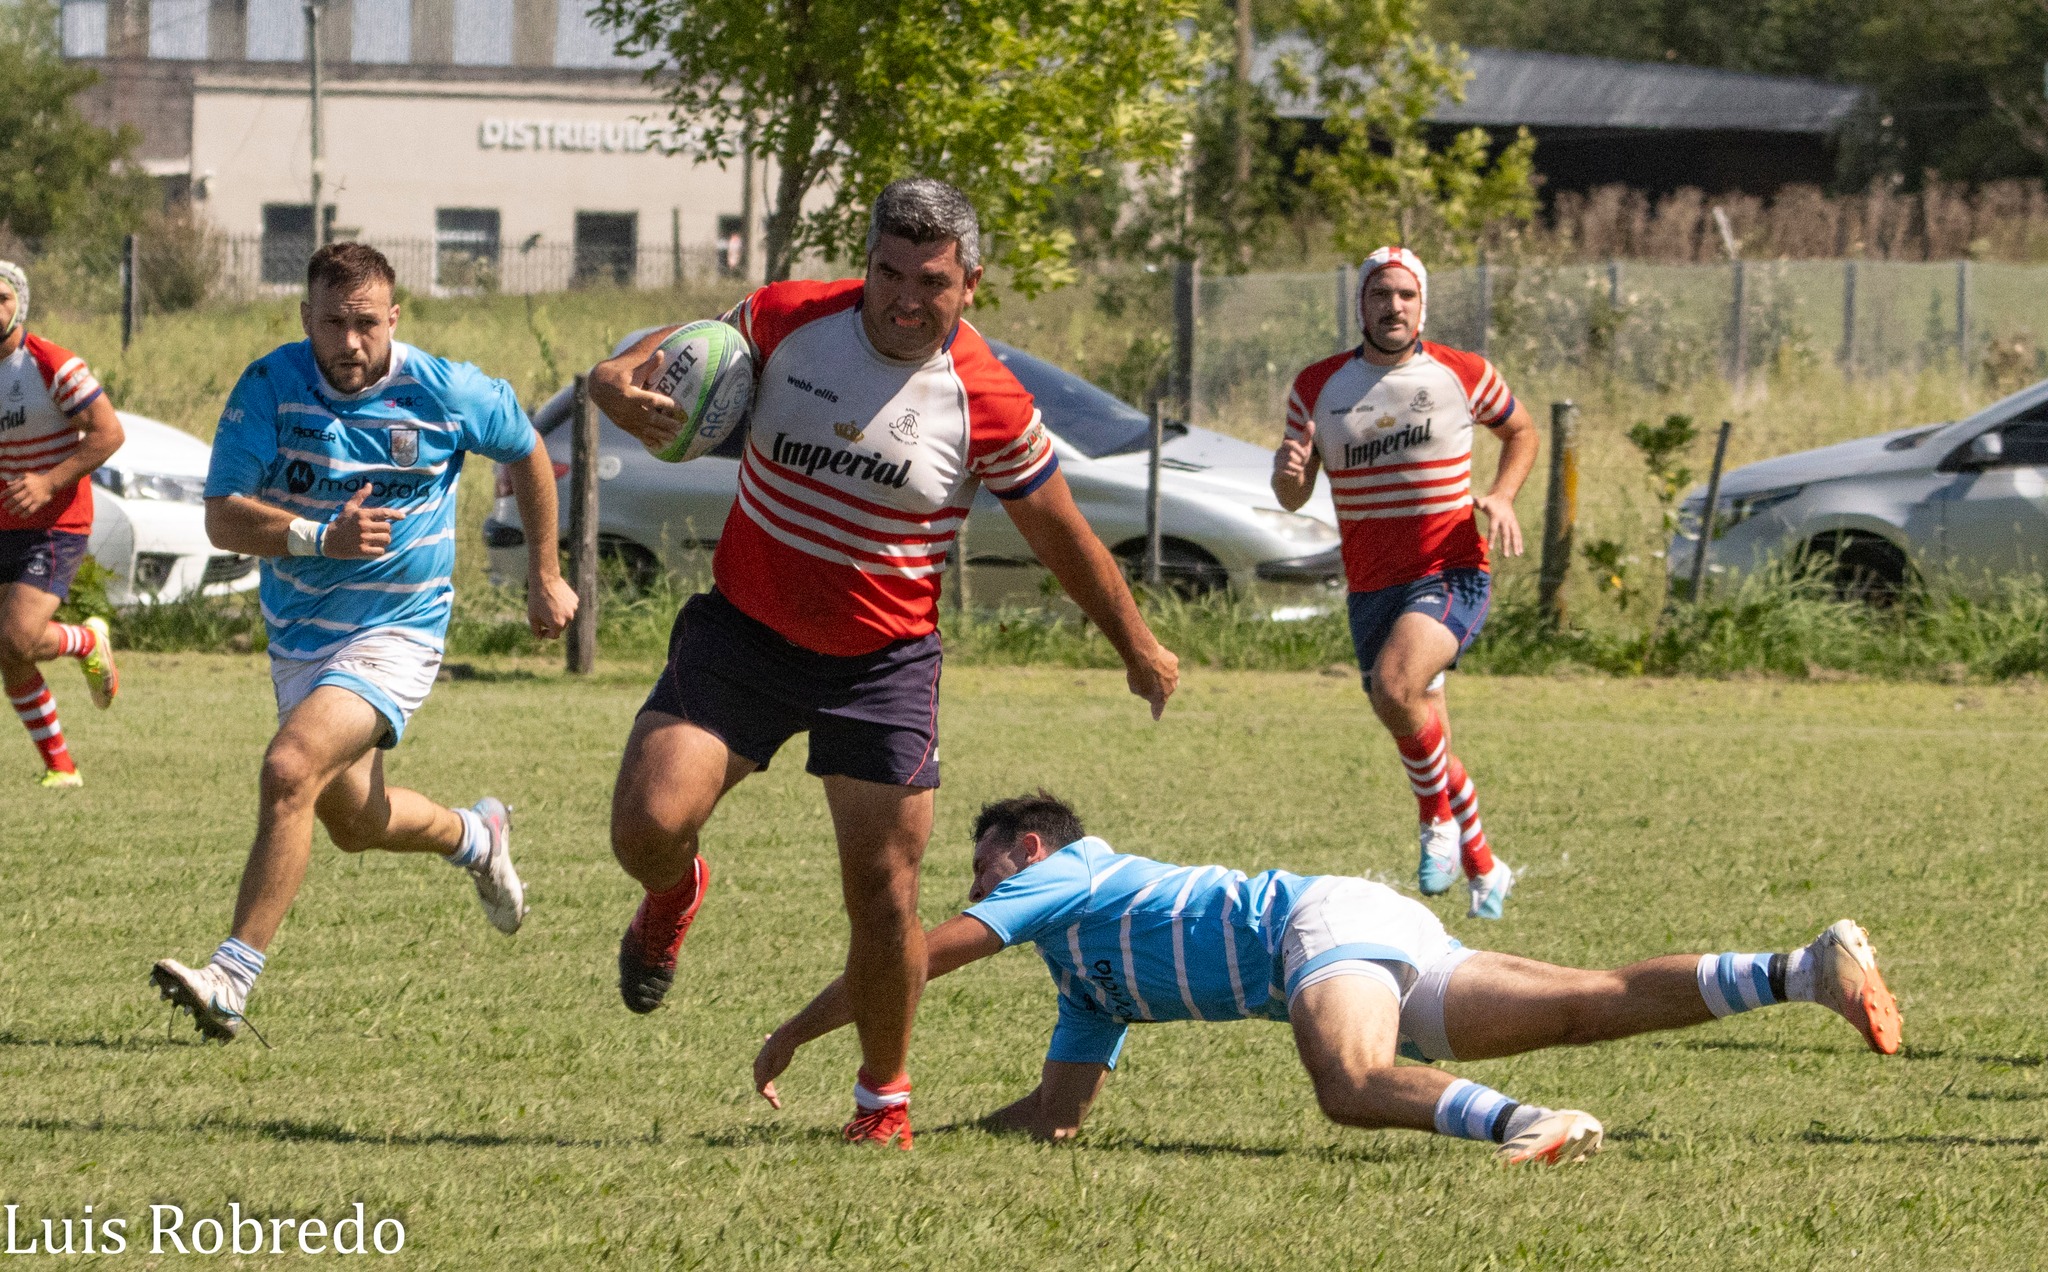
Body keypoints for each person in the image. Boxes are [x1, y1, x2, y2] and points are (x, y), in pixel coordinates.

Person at [588, 178, 1180, 1149]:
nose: (903, 299)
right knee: (646, 828)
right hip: (742, 632)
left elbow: (1060, 533)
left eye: (930, 280)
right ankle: (672, 892)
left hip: (881, 663)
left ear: (970, 283)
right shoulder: (786, 319)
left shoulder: (987, 399)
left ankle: (882, 1103)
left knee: (884, 892)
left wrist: (1137, 646)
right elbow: (636, 366)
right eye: (886, 272)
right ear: (865, 261)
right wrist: (612, 382)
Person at [754, 791, 1903, 1162]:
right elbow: (1058, 1115)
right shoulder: (1085, 979)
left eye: (987, 865)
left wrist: (801, 1034)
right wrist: (949, 1143)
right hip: (1360, 926)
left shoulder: (1067, 874)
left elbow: (915, 958)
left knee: (1350, 1081)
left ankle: (1529, 1127)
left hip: (1315, 926)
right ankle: (1800, 968)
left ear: (1027, 853)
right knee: (1579, 1004)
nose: (984, 885)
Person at [150, 242, 578, 1043]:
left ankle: (232, 976)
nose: (351, 343)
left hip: (399, 628)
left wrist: (544, 575)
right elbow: (221, 515)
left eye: (367, 324)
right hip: (302, 633)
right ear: (305, 319)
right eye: (333, 324)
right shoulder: (270, 387)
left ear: (395, 318)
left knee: (288, 767)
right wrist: (318, 537)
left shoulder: (445, 389)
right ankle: (477, 835)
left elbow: (525, 447)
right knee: (352, 820)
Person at [1272, 246, 1537, 919]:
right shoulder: (1317, 385)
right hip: (1371, 587)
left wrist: (1503, 495)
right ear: (1359, 303)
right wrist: (1291, 468)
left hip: (1449, 570)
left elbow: (1522, 432)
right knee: (1419, 724)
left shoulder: (1462, 373)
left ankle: (1436, 825)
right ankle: (1485, 865)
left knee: (1396, 689)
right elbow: (1292, 496)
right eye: (1380, 295)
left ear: (1423, 304)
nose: (1393, 307)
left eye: (1406, 296)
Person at [0, 260, 124, 789]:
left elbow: (108, 433)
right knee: (9, 649)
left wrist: (49, 482)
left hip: (57, 522)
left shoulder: (50, 364)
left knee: (16, 635)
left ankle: (84, 641)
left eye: (0, 297)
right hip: (5, 521)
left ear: (19, 305)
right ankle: (60, 767)